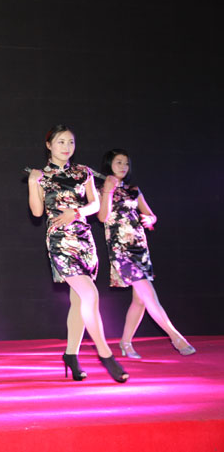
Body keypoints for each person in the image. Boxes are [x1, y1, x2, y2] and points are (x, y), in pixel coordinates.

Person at [28, 125, 128, 383]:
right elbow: (37, 212)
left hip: (84, 239)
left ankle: (71, 355)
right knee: (90, 295)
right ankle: (105, 354)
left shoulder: (83, 171)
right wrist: (32, 182)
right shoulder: (41, 176)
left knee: (79, 300)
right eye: (61, 142)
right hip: (60, 241)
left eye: (70, 142)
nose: (66, 147)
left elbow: (95, 204)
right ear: (49, 145)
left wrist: (77, 212)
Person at [97, 149, 195, 358]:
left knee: (140, 300)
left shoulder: (134, 190)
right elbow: (103, 217)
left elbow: (150, 215)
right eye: (118, 162)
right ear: (109, 165)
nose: (123, 167)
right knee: (148, 294)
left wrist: (150, 219)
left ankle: (125, 343)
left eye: (126, 163)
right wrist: (108, 191)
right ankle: (176, 337)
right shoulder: (101, 189)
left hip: (140, 248)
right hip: (121, 249)